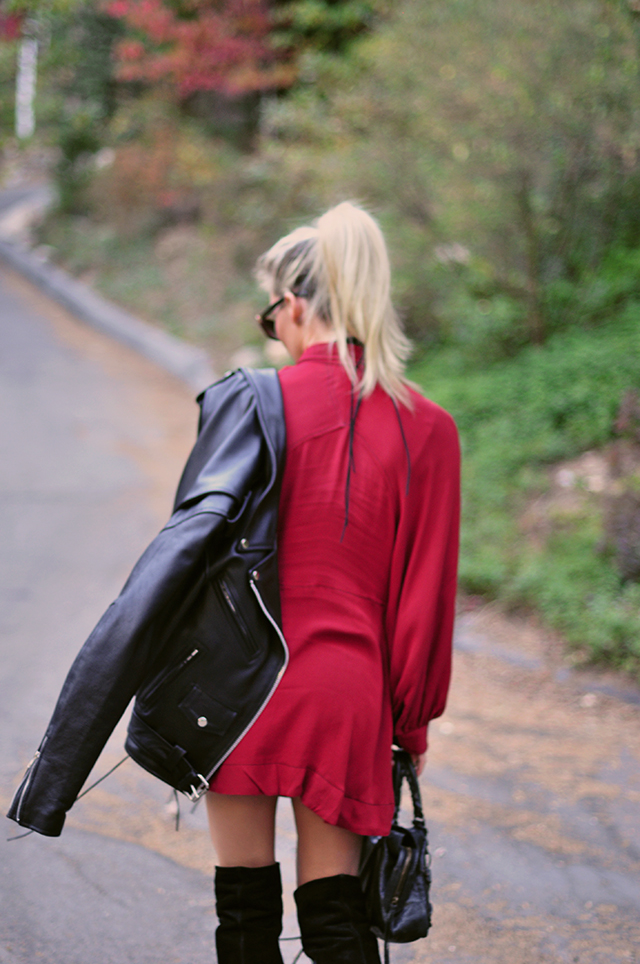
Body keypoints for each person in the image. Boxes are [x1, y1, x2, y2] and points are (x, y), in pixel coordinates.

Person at [206, 201, 460, 964]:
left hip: (240, 685)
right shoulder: (428, 429)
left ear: (291, 307)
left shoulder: (248, 403)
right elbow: (424, 602)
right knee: (336, 919)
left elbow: (197, 560)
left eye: (270, 316)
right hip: (346, 696)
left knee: (244, 910)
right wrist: (409, 726)